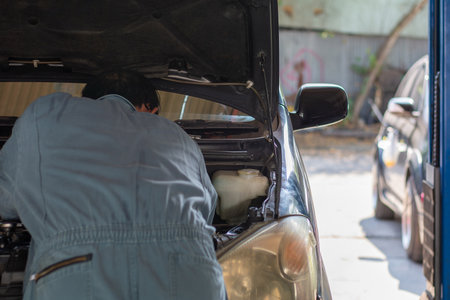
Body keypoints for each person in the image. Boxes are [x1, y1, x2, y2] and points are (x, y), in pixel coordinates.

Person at [0, 71, 226, 299]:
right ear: (151, 109)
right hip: (191, 267)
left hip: (77, 269)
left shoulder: (44, 115)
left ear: (86, 100)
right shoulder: (179, 136)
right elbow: (206, 210)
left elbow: (5, 200)